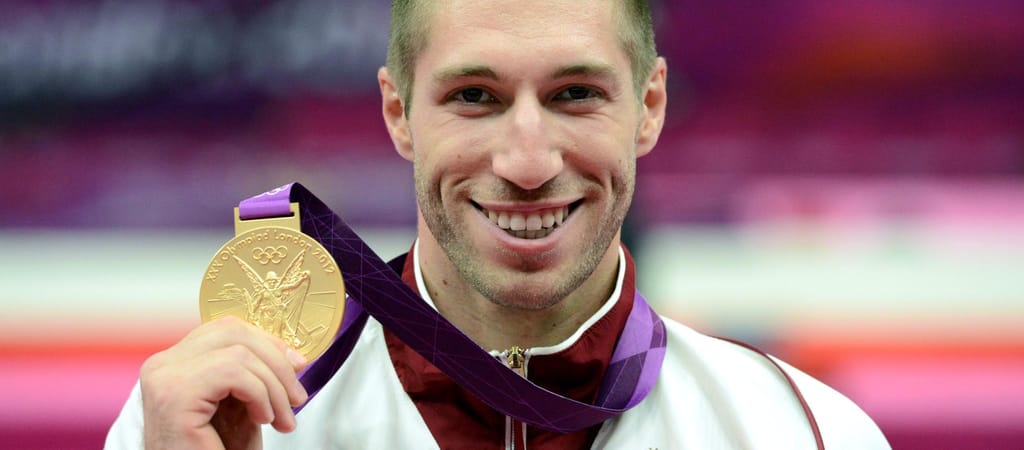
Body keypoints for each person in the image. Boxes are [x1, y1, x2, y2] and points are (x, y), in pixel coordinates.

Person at [106, 1, 890, 448]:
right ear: (398, 113)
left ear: (649, 107)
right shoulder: (208, 427)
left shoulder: (803, 433)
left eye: (575, 94)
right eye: (475, 97)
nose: (527, 161)